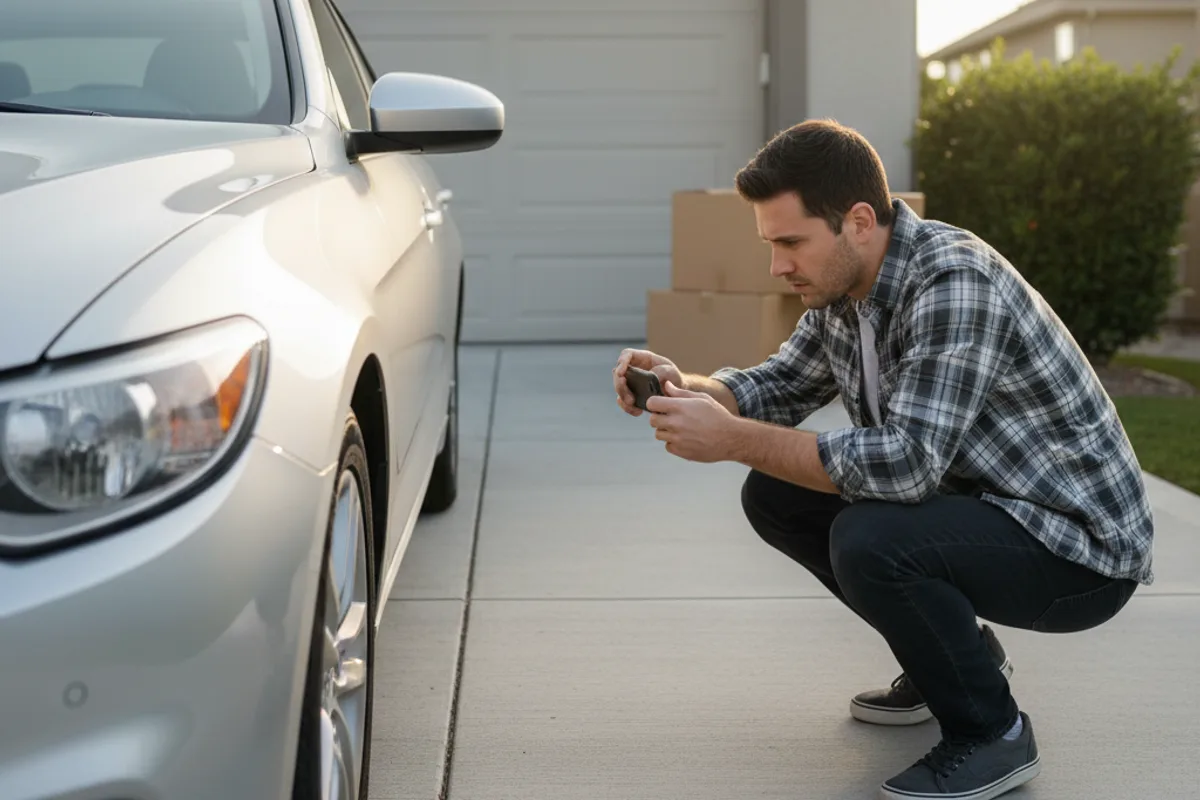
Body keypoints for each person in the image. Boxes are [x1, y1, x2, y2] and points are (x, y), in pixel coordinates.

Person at [612, 119, 1154, 800]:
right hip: (989, 510)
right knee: (776, 495)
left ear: (859, 221)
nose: (778, 266)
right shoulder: (847, 289)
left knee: (872, 539)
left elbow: (906, 467)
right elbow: (779, 384)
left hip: (1076, 549)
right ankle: (956, 664)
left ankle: (995, 733)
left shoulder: (954, 282)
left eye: (790, 242)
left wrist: (729, 438)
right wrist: (685, 385)